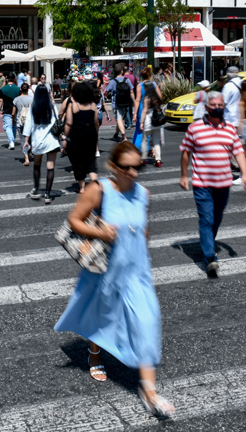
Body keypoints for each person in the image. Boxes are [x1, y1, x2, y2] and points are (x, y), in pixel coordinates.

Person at [55, 141, 175, 419]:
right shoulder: (100, 190)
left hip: (137, 272)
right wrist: (101, 233)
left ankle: (149, 390)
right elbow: (74, 220)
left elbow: (143, 230)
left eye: (138, 166)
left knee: (147, 321)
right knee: (102, 316)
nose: (133, 172)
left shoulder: (144, 193)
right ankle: (95, 354)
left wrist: (145, 256)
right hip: (105, 270)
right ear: (113, 167)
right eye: (127, 167)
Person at [180, 92, 246, 278]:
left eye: (220, 104)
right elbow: (186, 152)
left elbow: (239, 152)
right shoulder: (195, 128)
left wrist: (244, 173)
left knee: (216, 218)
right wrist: (183, 176)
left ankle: (207, 242)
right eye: (213, 104)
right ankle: (210, 257)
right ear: (206, 106)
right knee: (206, 219)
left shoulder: (230, 129)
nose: (217, 107)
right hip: (202, 183)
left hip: (223, 184)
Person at [23, 85, 60, 204]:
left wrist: (26, 140)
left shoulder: (33, 107)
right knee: (50, 167)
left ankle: (36, 188)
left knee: (37, 165)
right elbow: (57, 121)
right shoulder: (52, 106)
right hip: (51, 140)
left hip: (38, 140)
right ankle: (48, 194)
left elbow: (28, 124)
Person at [63, 82, 99, 193]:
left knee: (78, 160)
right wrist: (95, 134)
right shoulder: (93, 105)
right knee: (90, 159)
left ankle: (82, 188)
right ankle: (94, 180)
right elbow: (96, 122)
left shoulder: (73, 105)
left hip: (77, 133)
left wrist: (65, 138)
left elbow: (68, 123)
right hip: (91, 132)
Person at [138, 76, 164, 168]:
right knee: (156, 141)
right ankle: (158, 159)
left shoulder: (147, 98)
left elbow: (144, 110)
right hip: (157, 121)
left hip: (148, 121)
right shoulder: (157, 97)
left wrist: (141, 122)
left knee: (144, 140)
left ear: (146, 88)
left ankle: (144, 158)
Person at [107, 65, 134, 142]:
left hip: (116, 103)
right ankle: (116, 134)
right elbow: (131, 91)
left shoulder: (113, 82)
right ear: (122, 72)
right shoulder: (127, 80)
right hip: (126, 102)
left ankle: (124, 136)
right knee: (120, 119)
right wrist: (134, 101)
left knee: (119, 120)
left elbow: (106, 91)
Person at [0, 74, 21, 150]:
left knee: (8, 126)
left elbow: (0, 100)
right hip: (16, 110)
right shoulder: (18, 89)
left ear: (7, 80)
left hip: (7, 110)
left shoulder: (3, 89)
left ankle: (11, 142)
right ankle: (12, 140)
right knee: (14, 125)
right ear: (14, 79)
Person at [14, 83, 33, 167]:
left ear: (21, 89)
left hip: (21, 122)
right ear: (28, 89)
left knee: (22, 140)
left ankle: (26, 158)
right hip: (31, 122)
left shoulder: (16, 99)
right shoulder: (32, 99)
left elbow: (13, 112)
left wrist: (13, 120)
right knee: (30, 139)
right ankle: (29, 153)